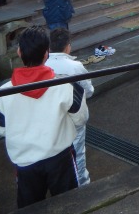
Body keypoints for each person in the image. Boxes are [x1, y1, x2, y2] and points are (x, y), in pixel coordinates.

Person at [0, 26, 88, 208]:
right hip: (60, 156)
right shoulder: (65, 85)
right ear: (47, 53)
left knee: (30, 207)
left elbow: (1, 129)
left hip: (25, 161)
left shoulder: (2, 92)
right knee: (71, 204)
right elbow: (81, 118)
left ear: (19, 52)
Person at [45, 28, 93, 186]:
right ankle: (81, 183)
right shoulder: (75, 66)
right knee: (78, 151)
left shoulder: (44, 64)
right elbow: (89, 90)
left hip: (50, 116)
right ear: (68, 46)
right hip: (73, 115)